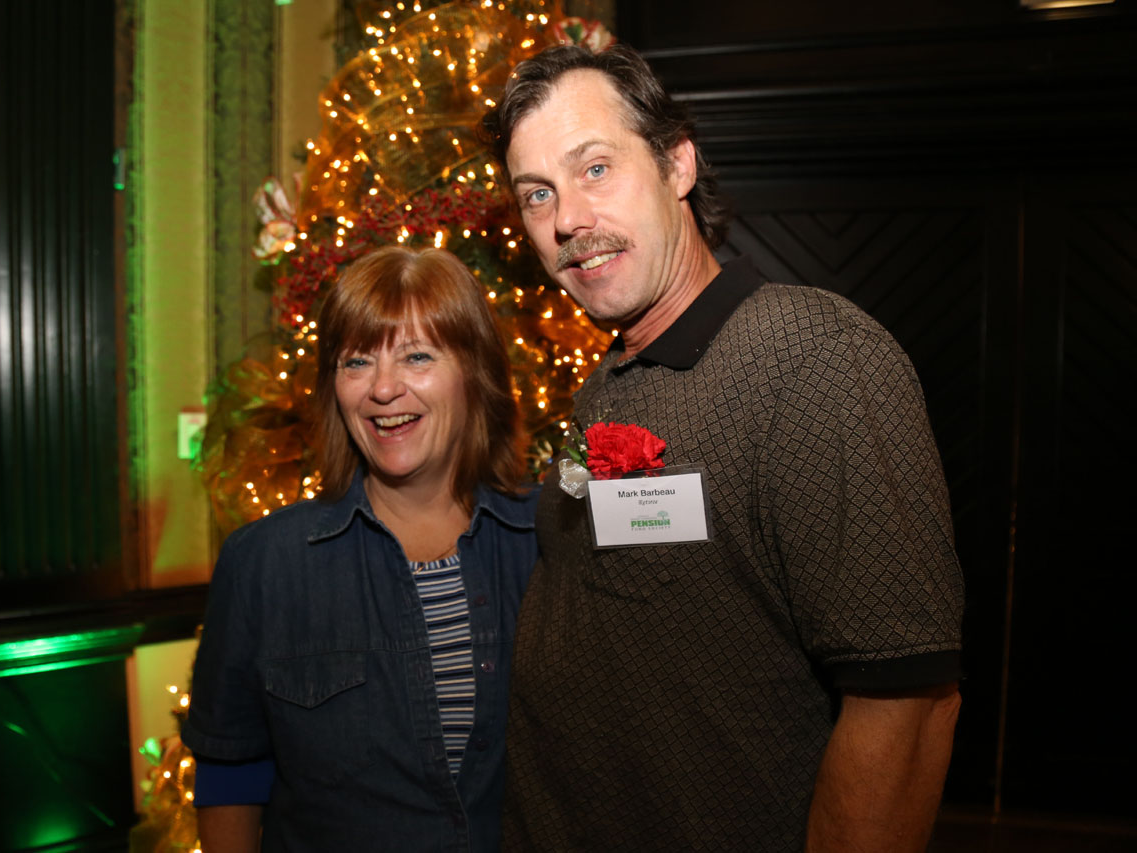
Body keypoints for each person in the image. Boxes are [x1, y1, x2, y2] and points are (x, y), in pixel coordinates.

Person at [479, 44, 965, 851]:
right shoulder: (610, 381)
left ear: (677, 163)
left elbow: (907, 701)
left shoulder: (814, 357)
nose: (567, 219)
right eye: (538, 193)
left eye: (594, 168)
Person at [181, 246, 539, 851]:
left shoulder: (547, 544)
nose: (382, 389)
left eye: (417, 356)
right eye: (356, 362)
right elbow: (230, 772)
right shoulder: (264, 564)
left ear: (473, 373)